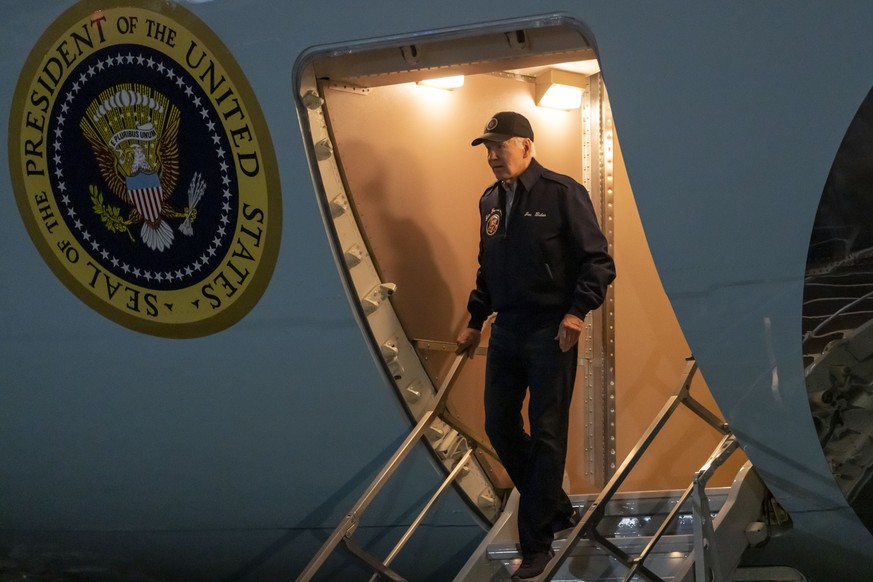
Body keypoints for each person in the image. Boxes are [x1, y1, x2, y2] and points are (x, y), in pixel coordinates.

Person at [456, 111, 616, 580]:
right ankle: (557, 508)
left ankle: (537, 545)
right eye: (487, 148)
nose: (491, 156)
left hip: (551, 330)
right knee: (499, 425)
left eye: (499, 146)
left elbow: (599, 262)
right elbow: (488, 269)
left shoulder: (562, 193)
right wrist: (474, 320)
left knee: (547, 433)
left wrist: (575, 312)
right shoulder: (489, 200)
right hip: (506, 329)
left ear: (526, 145)